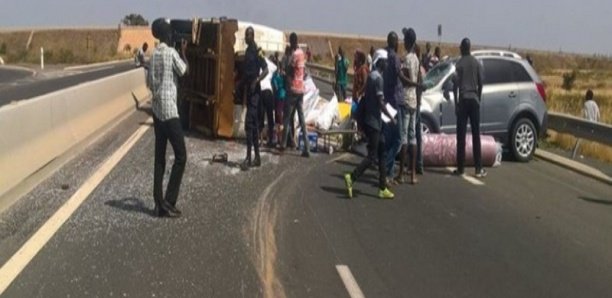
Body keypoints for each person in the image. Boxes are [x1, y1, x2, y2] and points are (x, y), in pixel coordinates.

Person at [147, 19, 188, 217]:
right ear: (166, 35)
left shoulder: (153, 55)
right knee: (181, 156)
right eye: (170, 33)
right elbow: (184, 71)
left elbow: (149, 83)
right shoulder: (171, 53)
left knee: (159, 158)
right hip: (170, 111)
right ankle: (169, 201)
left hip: (156, 112)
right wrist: (184, 52)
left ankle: (157, 202)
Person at [344, 48, 396, 199]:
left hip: (372, 121)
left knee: (382, 152)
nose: (387, 64)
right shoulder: (377, 78)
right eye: (385, 62)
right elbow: (380, 102)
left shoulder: (372, 76)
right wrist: (391, 117)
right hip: (374, 122)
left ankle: (382, 187)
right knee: (372, 156)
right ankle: (352, 177)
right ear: (381, 61)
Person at [452, 38, 486, 178]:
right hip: (474, 101)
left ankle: (461, 168)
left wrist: (456, 103)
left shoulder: (459, 64)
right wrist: (478, 97)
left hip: (463, 100)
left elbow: (455, 85)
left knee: (461, 136)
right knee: (476, 134)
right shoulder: (476, 63)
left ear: (463, 48)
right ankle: (478, 168)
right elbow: (481, 83)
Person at [397, 28, 426, 185]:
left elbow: (405, 80)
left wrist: (401, 76)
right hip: (414, 100)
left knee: (404, 138)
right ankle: (413, 174)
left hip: (406, 99)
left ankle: (401, 173)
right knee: (413, 136)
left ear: (407, 41)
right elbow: (418, 79)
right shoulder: (416, 58)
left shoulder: (407, 59)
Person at [237, 26, 268, 170]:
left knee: (249, 125)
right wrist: (238, 86)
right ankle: (257, 157)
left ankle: (249, 158)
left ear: (252, 36)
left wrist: (257, 80)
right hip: (248, 92)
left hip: (255, 93)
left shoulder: (257, 51)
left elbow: (266, 69)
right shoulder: (248, 51)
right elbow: (245, 74)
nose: (245, 38)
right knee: (253, 127)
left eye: (247, 35)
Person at [281, 32, 310, 157]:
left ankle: (283, 144)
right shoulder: (302, 54)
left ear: (292, 42)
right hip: (301, 90)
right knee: (302, 120)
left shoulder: (294, 55)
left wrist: (285, 69)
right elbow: (303, 72)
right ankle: (307, 148)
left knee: (287, 117)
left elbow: (289, 70)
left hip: (292, 89)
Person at [382, 31, 403, 185]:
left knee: (388, 139)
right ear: (395, 43)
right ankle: (385, 168)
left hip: (385, 101)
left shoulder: (383, 57)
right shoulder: (395, 58)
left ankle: (389, 173)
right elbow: (399, 76)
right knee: (398, 139)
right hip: (395, 102)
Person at [259, 55, 277, 147]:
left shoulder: (261, 62)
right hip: (269, 91)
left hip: (261, 90)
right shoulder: (273, 67)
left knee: (261, 116)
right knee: (270, 117)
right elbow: (275, 67)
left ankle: (261, 140)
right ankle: (270, 140)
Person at [271, 55, 287, 148]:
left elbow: (275, 86)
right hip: (282, 96)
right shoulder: (282, 75)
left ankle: (280, 139)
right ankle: (279, 139)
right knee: (279, 116)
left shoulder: (276, 76)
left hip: (279, 96)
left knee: (278, 116)